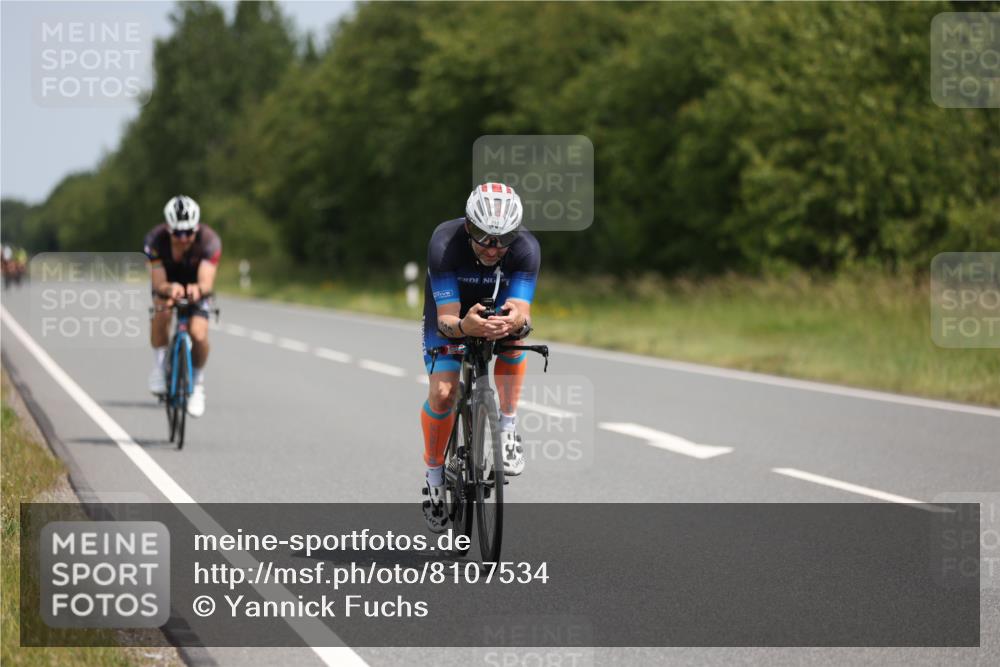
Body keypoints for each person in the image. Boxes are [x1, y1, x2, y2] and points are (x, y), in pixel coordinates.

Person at [420, 183, 540, 532]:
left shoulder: (527, 249)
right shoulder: (444, 242)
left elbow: (522, 310)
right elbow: (445, 320)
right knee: (443, 394)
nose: (492, 247)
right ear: (468, 225)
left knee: (516, 336)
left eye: (503, 239)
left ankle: (507, 426)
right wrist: (464, 326)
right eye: (482, 235)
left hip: (494, 305)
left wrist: (513, 321)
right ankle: (434, 478)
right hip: (453, 310)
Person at [143, 195, 221, 417]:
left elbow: (206, 281)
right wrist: (169, 289)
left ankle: (196, 384)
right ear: (169, 229)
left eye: (189, 232)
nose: (184, 238)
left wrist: (199, 290)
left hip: (196, 284)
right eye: (178, 233)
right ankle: (159, 368)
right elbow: (158, 281)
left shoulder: (209, 241)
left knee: (198, 333)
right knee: (162, 309)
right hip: (168, 283)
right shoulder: (155, 240)